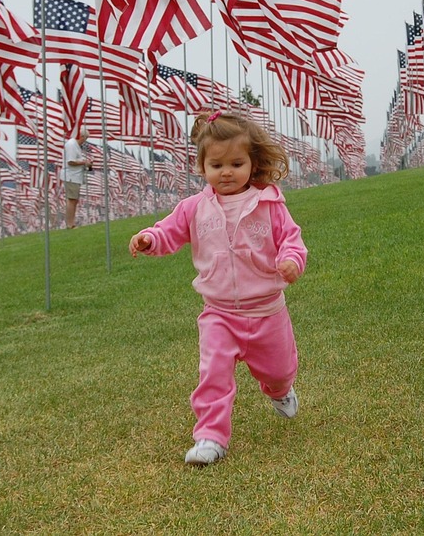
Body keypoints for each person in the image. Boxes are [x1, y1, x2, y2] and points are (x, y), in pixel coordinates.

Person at [129, 110, 307, 467]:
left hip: (267, 312)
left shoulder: (269, 203)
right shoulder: (194, 208)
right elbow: (168, 231)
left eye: (236, 164)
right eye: (216, 165)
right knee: (212, 373)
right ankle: (210, 436)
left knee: (278, 371)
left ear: (252, 163)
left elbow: (291, 240)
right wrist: (150, 238)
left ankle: (279, 390)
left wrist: (291, 260)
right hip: (219, 313)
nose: (226, 172)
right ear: (202, 167)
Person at [62, 129, 91, 229]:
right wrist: (84, 162)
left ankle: (71, 223)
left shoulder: (76, 146)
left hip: (76, 176)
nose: (85, 141)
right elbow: (71, 161)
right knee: (71, 199)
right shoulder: (72, 144)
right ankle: (70, 224)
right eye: (85, 138)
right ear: (82, 136)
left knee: (74, 200)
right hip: (71, 176)